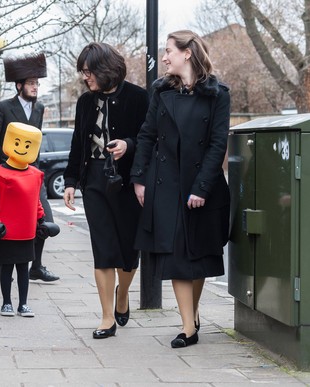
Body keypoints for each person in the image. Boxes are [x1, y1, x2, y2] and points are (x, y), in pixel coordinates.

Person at [130, 30, 231, 348]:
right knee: (175, 257)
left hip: (203, 185)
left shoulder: (218, 94)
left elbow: (217, 144)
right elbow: (146, 134)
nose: (164, 57)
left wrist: (202, 187)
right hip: (166, 184)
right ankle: (188, 327)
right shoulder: (161, 91)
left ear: (187, 53)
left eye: (169, 51)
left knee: (198, 256)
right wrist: (139, 177)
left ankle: (193, 313)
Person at [63, 42, 149, 339]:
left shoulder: (139, 98)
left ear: (105, 69)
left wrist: (129, 144)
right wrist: (71, 181)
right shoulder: (85, 102)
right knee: (103, 250)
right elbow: (78, 142)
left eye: (88, 72)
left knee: (128, 252)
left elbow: (149, 138)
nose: (85, 78)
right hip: (95, 180)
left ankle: (122, 294)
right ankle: (106, 317)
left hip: (126, 181)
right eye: (83, 72)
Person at [0, 52, 59, 282]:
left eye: (37, 83)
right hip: (7, 175)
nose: (36, 87)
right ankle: (1, 266)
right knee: (4, 223)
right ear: (19, 85)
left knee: (44, 221)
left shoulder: (40, 108)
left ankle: (37, 265)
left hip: (32, 175)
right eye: (32, 83)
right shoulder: (4, 108)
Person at [0, 122, 60, 317]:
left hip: (26, 231)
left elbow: (36, 202)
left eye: (28, 145)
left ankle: (23, 304)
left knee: (24, 268)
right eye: (18, 142)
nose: (22, 148)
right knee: (6, 269)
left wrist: (42, 220)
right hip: (5, 231)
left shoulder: (36, 175)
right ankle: (6, 303)